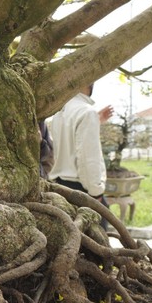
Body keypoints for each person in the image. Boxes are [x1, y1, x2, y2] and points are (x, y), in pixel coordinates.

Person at [48, 83, 112, 215]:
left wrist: (96, 121)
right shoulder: (87, 112)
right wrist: (96, 193)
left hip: (60, 186)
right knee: (97, 233)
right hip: (81, 189)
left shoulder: (58, 113)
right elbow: (88, 158)